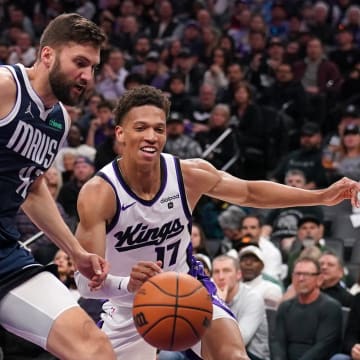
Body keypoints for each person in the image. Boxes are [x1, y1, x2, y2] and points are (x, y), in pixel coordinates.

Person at [74, 85, 360, 360]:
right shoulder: (100, 194)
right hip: (126, 305)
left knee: (233, 356)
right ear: (120, 134)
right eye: (141, 128)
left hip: (188, 289)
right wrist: (128, 284)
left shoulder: (188, 175)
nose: (151, 136)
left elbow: (250, 192)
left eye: (159, 129)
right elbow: (86, 285)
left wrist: (321, 196)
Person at [0, 13, 115, 360]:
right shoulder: (5, 87)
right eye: (80, 63)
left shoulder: (58, 120)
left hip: (5, 250)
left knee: (95, 349)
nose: (87, 76)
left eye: (93, 67)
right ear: (47, 55)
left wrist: (75, 252)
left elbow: (33, 188)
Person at [273, 257, 343, 360]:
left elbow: (323, 347)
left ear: (319, 279)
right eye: (297, 274)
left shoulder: (331, 308)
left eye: (306, 274)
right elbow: (278, 342)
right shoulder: (285, 307)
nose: (301, 279)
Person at [212, 255, 270, 360]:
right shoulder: (209, 297)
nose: (221, 277)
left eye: (226, 271)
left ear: (238, 275)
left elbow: (239, 341)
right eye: (216, 272)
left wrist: (220, 305)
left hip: (252, 355)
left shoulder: (253, 298)